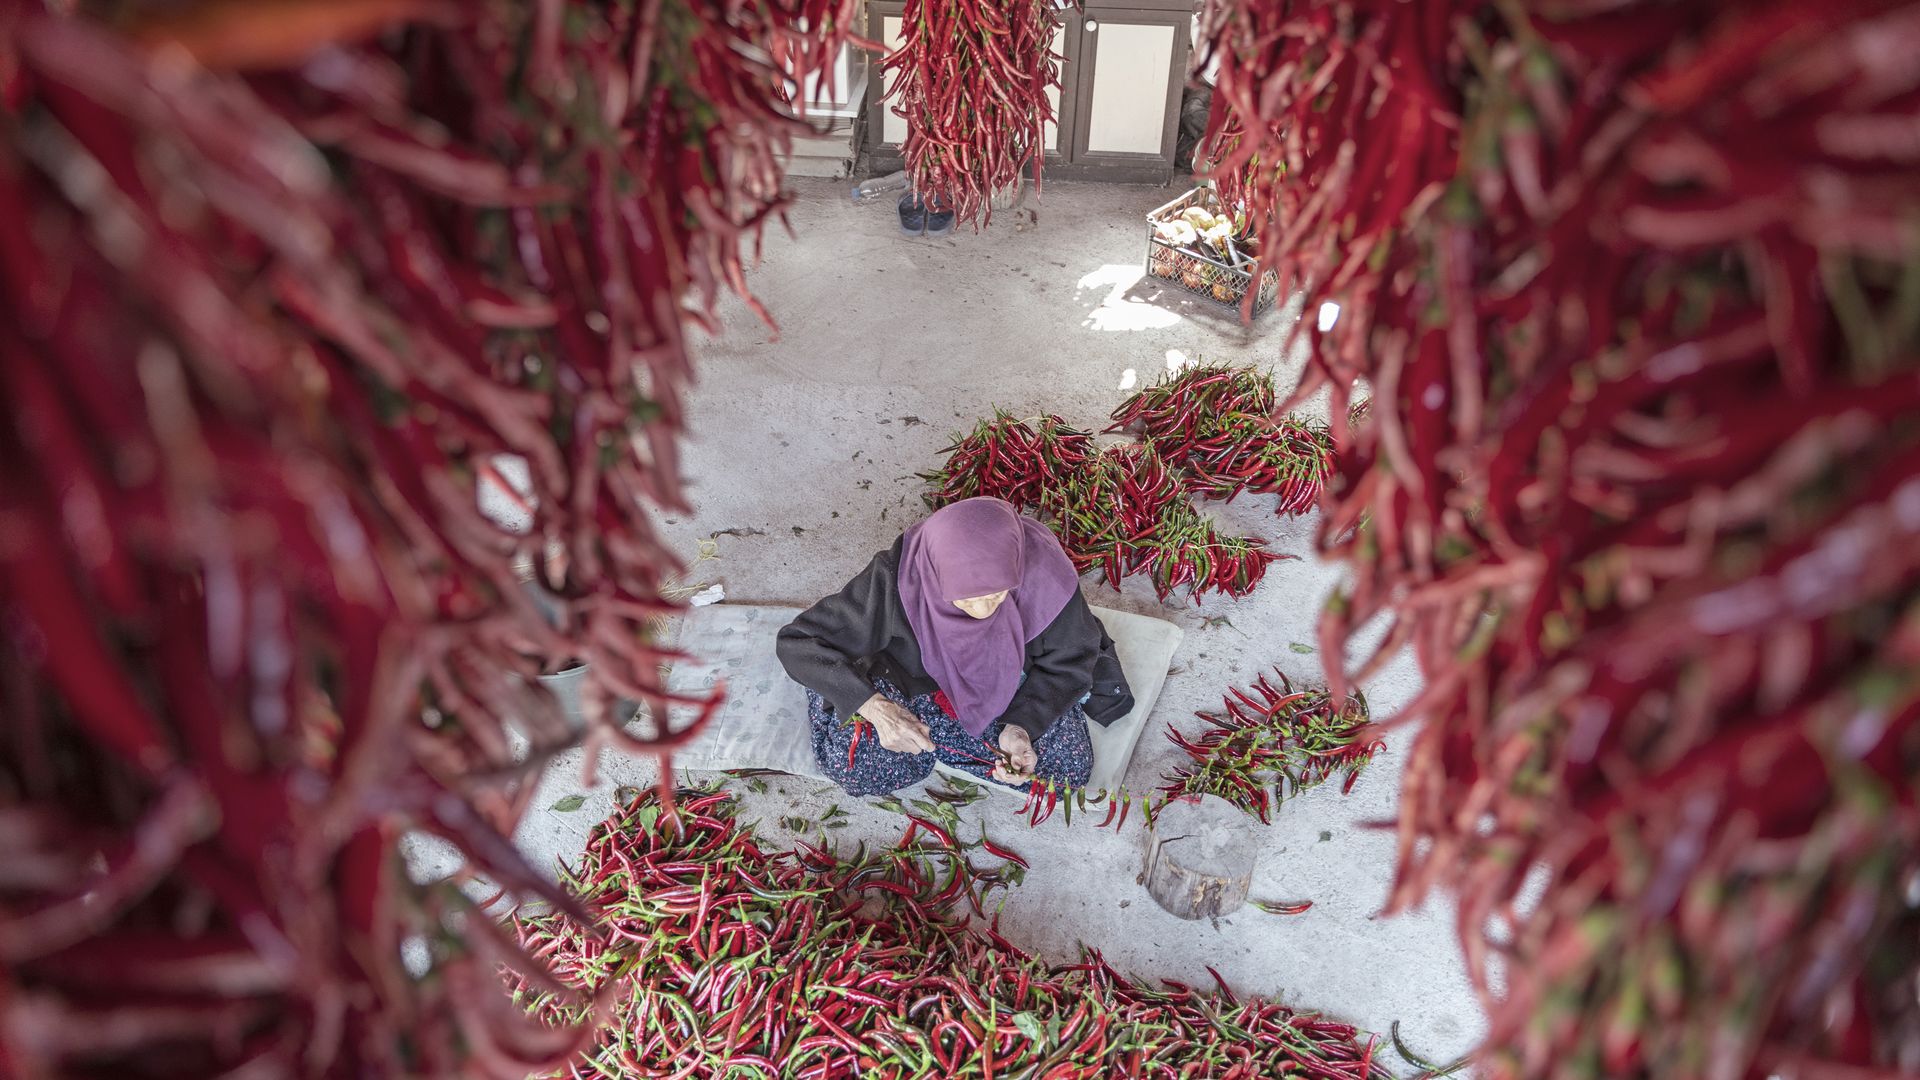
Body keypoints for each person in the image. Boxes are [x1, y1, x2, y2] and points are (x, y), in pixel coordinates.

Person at [777, 497, 1134, 796]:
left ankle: (957, 746)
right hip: (908, 681)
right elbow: (798, 642)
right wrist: (875, 708)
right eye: (963, 601)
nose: (982, 611)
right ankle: (870, 705)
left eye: (997, 595)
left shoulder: (1045, 577)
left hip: (1009, 676)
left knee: (1064, 775)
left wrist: (1021, 726)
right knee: (859, 767)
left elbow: (1071, 661)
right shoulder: (899, 577)